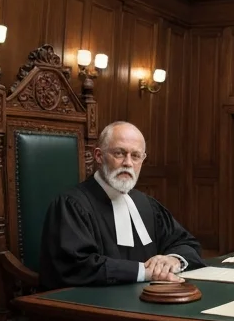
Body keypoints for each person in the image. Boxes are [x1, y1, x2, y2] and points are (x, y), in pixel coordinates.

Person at [40, 121, 204, 289]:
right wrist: (145, 272)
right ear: (99, 156)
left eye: (136, 156)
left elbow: (187, 244)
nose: (128, 163)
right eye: (119, 153)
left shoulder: (147, 205)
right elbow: (75, 266)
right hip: (92, 302)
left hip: (149, 298)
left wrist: (173, 260)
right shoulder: (72, 205)